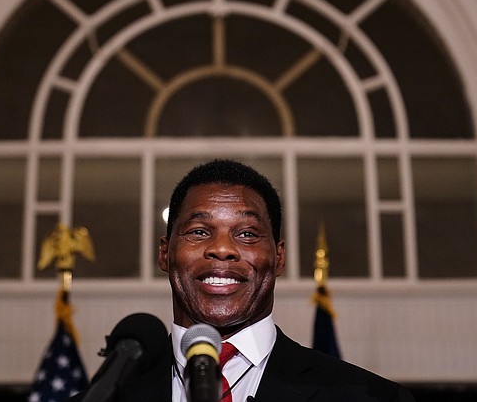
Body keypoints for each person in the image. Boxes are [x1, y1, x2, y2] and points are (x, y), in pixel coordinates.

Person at [73, 158, 415, 401]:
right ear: (165, 253)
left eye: (248, 233)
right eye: (200, 231)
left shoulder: (369, 397)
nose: (222, 249)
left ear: (278, 257)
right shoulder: (105, 396)